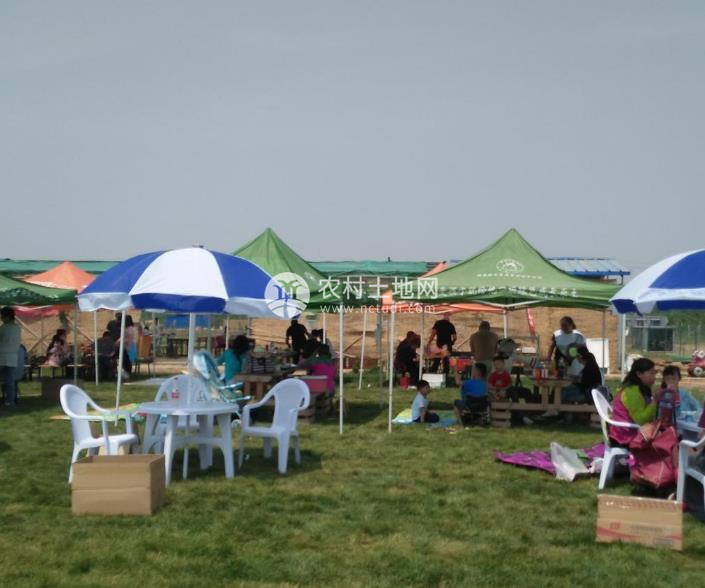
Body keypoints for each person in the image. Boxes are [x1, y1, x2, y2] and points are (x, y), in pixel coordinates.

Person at [609, 358, 657, 447]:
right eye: (651, 373)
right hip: (624, 436)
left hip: (632, 431)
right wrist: (656, 401)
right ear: (639, 374)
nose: (654, 376)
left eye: (655, 373)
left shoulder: (642, 389)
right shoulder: (631, 392)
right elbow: (641, 419)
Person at [0, 307, 22, 406]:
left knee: (8, 380)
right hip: (13, 357)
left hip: (2, 355)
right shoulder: (18, 328)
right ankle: (10, 401)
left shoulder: (3, 328)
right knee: (10, 381)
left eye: (2, 316)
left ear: (7, 317)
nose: (1, 318)